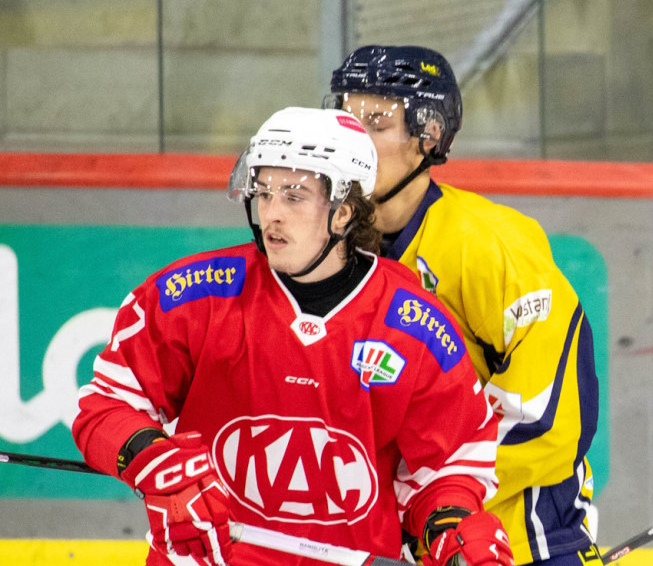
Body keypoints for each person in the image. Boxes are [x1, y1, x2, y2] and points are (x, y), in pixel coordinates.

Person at [70, 107, 510, 566]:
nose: (271, 214)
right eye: (263, 193)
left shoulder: (414, 324)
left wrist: (451, 529)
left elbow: (449, 465)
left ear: (343, 212)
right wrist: (153, 458)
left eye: (294, 197)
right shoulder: (194, 297)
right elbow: (106, 406)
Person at [326, 45, 604, 566]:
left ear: (428, 137)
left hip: (518, 540)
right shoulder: (325, 249)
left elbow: (552, 415)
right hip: (403, 542)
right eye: (344, 117)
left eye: (376, 122)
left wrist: (432, 498)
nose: (351, 140)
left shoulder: (490, 245)